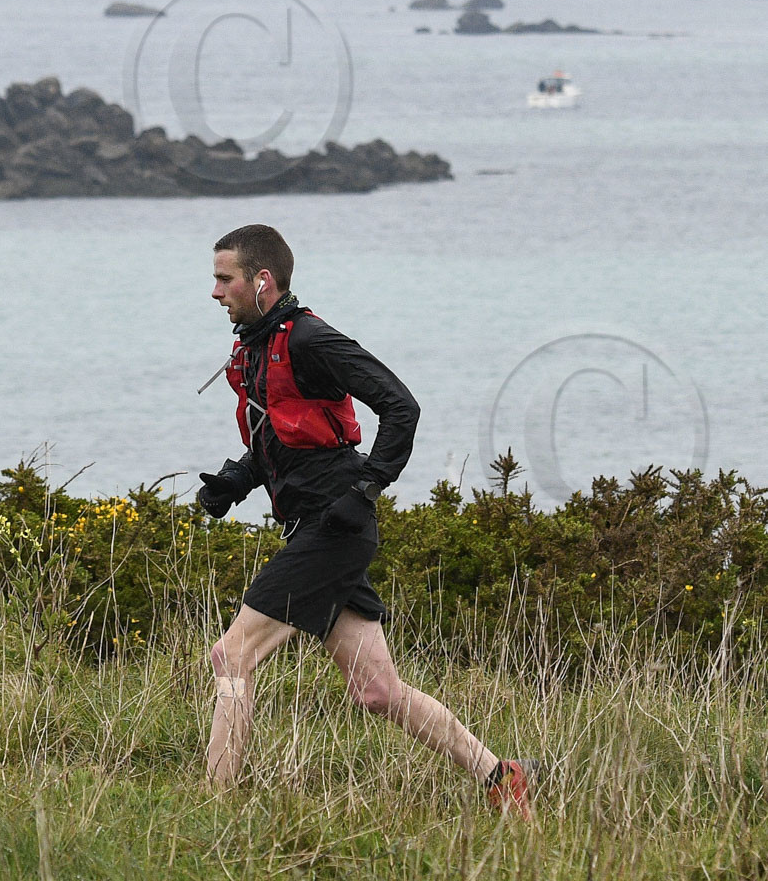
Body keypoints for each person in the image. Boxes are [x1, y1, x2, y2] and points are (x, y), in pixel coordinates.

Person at [198, 223, 536, 818]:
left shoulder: (310, 339)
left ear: (262, 280)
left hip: (334, 528)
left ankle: (214, 806)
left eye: (225, 279)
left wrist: (368, 486)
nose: (216, 291)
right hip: (316, 527)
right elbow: (287, 438)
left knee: (231, 658)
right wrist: (236, 481)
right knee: (377, 691)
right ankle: (499, 775)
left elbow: (401, 406)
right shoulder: (257, 348)